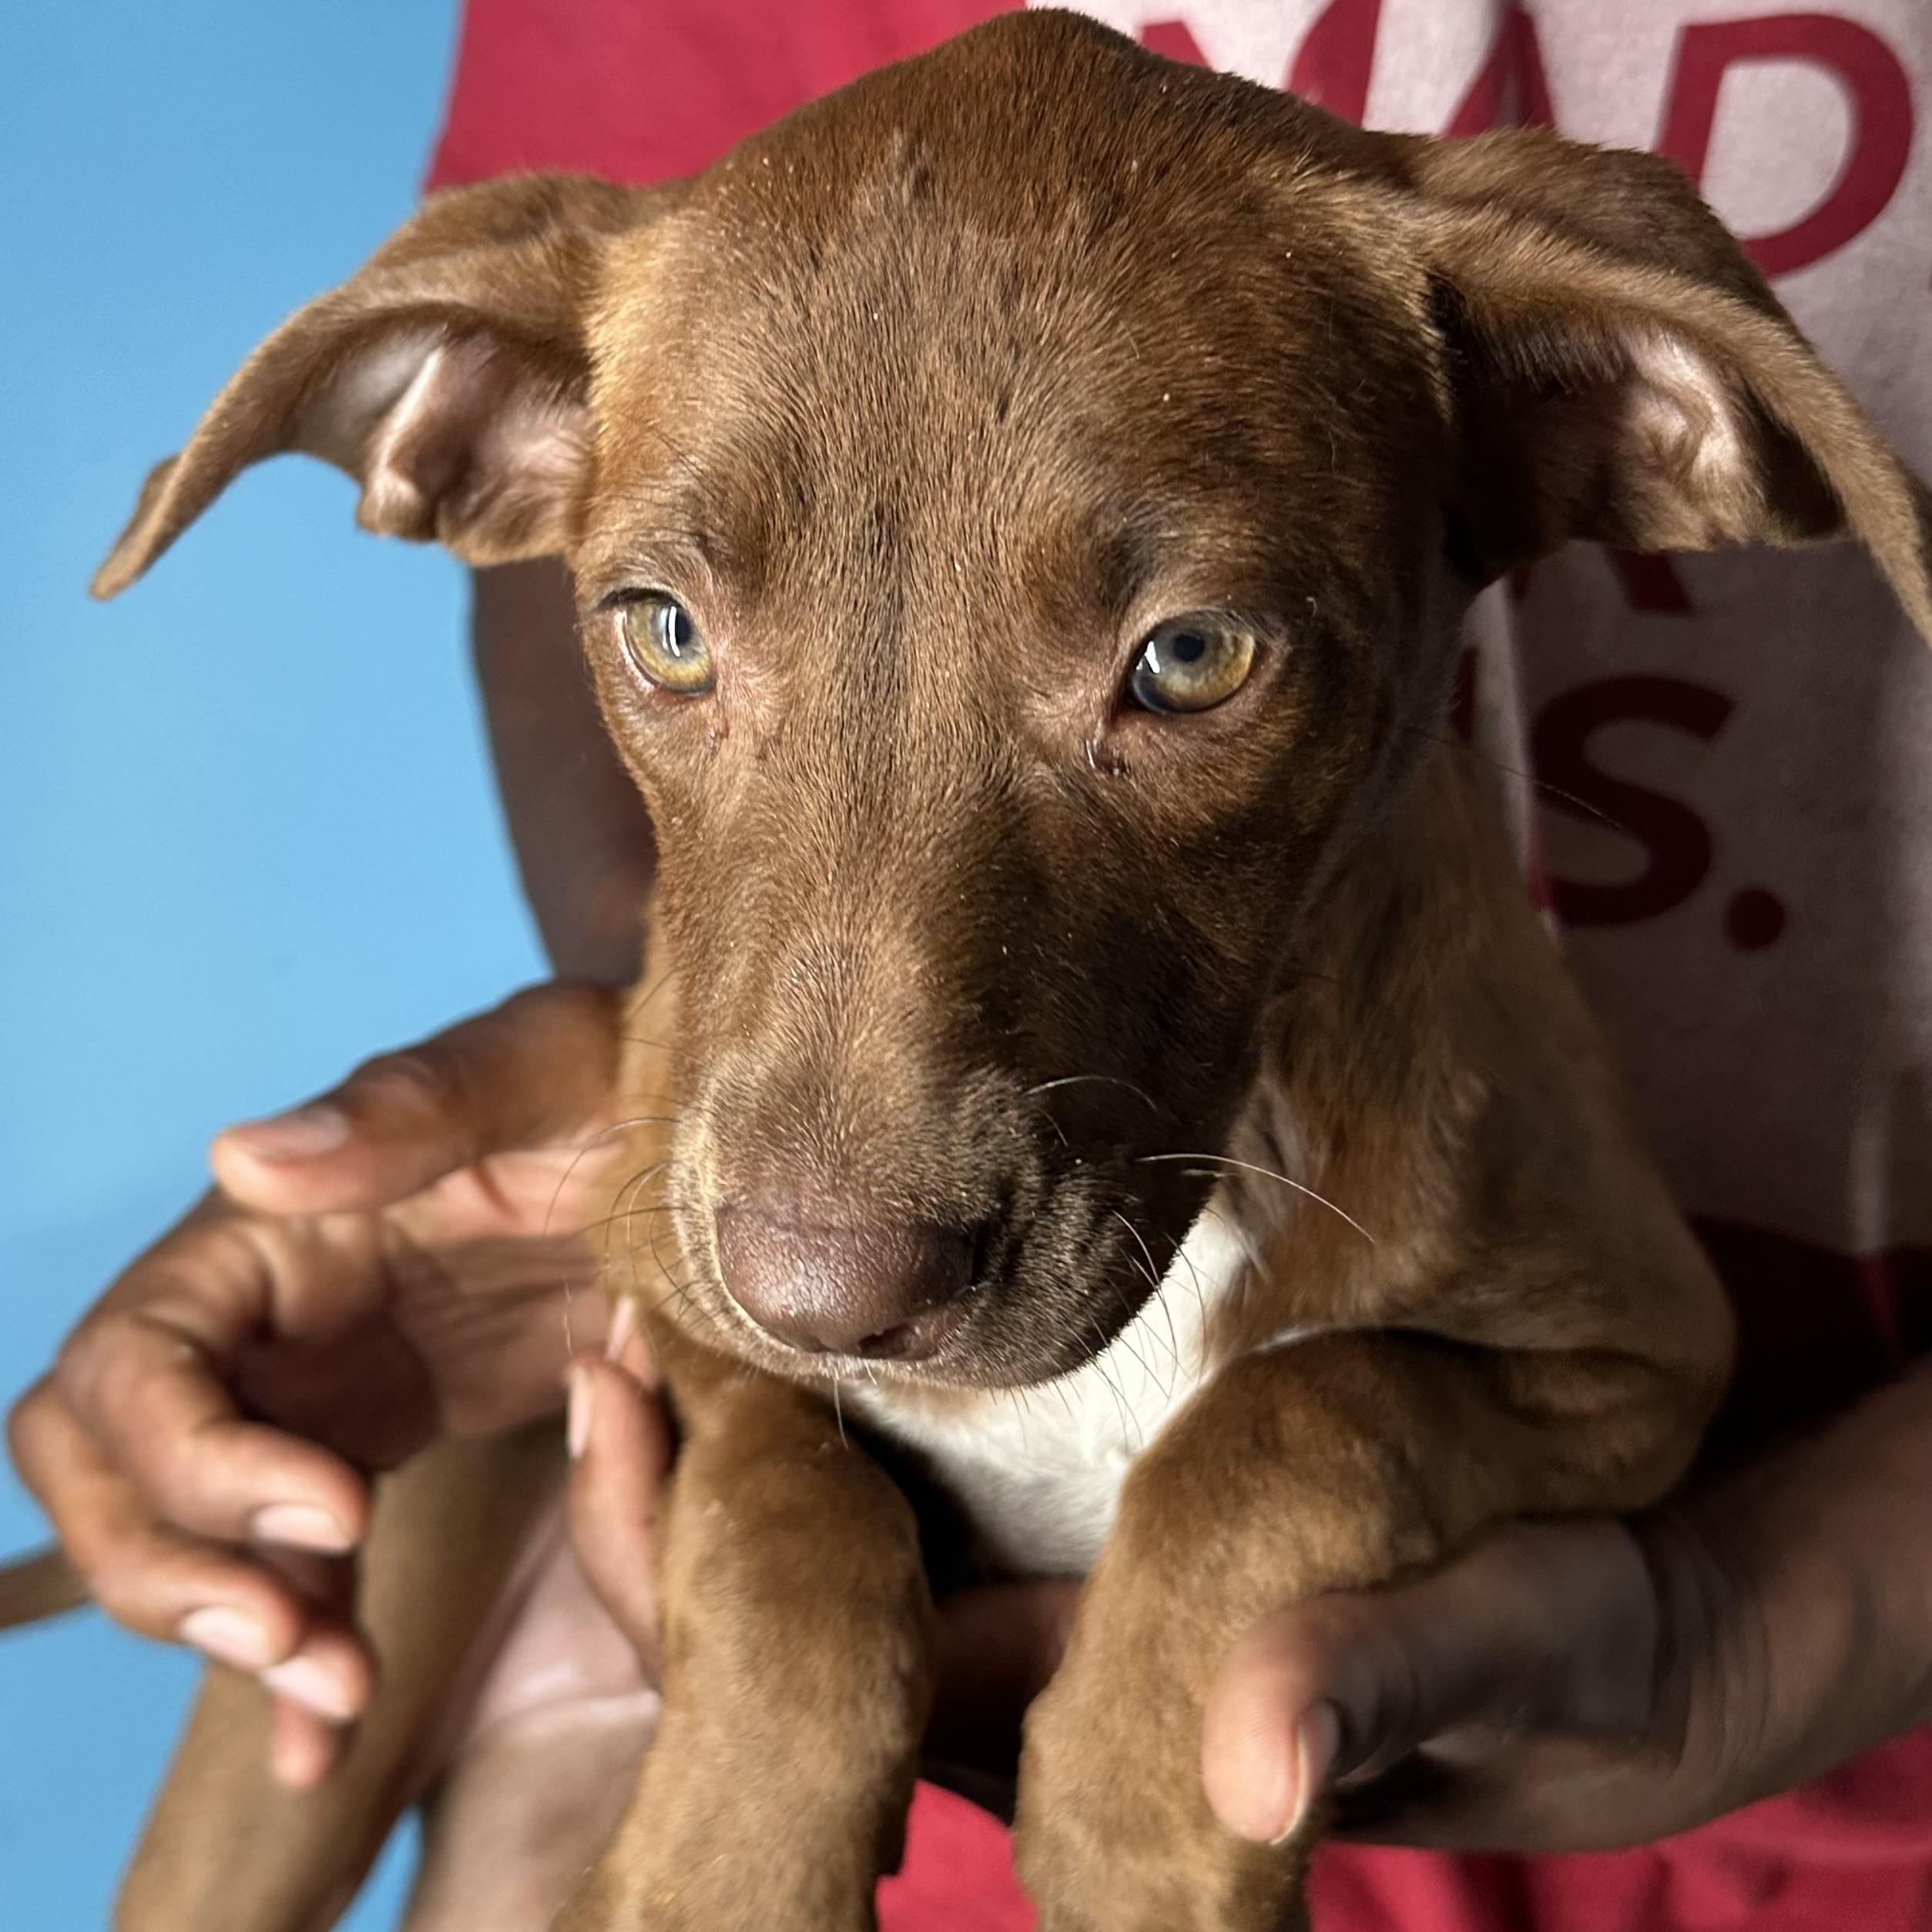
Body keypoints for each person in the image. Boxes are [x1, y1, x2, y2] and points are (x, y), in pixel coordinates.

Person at [12, 4, 1932, 1929]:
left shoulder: (1479, 353)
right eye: (674, 635)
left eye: (1186, 662)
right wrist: (656, 1099)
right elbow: (630, 544)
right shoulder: (626, 308)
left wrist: (1749, 1633)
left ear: (1613, 406)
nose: (819, 1250)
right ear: (473, 429)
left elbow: (1604, 1365)